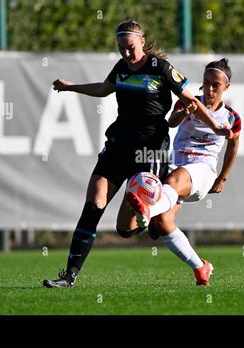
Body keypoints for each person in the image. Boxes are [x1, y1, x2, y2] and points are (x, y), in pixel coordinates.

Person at [43, 20, 233, 288]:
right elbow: (102, 89)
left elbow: (191, 100)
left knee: (125, 229)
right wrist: (71, 87)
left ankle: (153, 221)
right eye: (121, 48)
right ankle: (69, 276)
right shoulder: (121, 68)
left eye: (130, 47)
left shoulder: (161, 68)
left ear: (142, 42)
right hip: (118, 145)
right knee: (93, 205)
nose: (126, 54)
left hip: (150, 150)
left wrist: (215, 126)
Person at [126, 58, 241, 286]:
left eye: (215, 85)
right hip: (176, 166)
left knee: (172, 183)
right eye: (206, 83)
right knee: (163, 223)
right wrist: (183, 113)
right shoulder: (189, 101)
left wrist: (222, 178)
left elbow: (233, 145)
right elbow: (171, 122)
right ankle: (201, 267)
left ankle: (147, 210)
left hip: (202, 171)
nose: (209, 89)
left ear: (226, 87)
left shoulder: (231, 117)